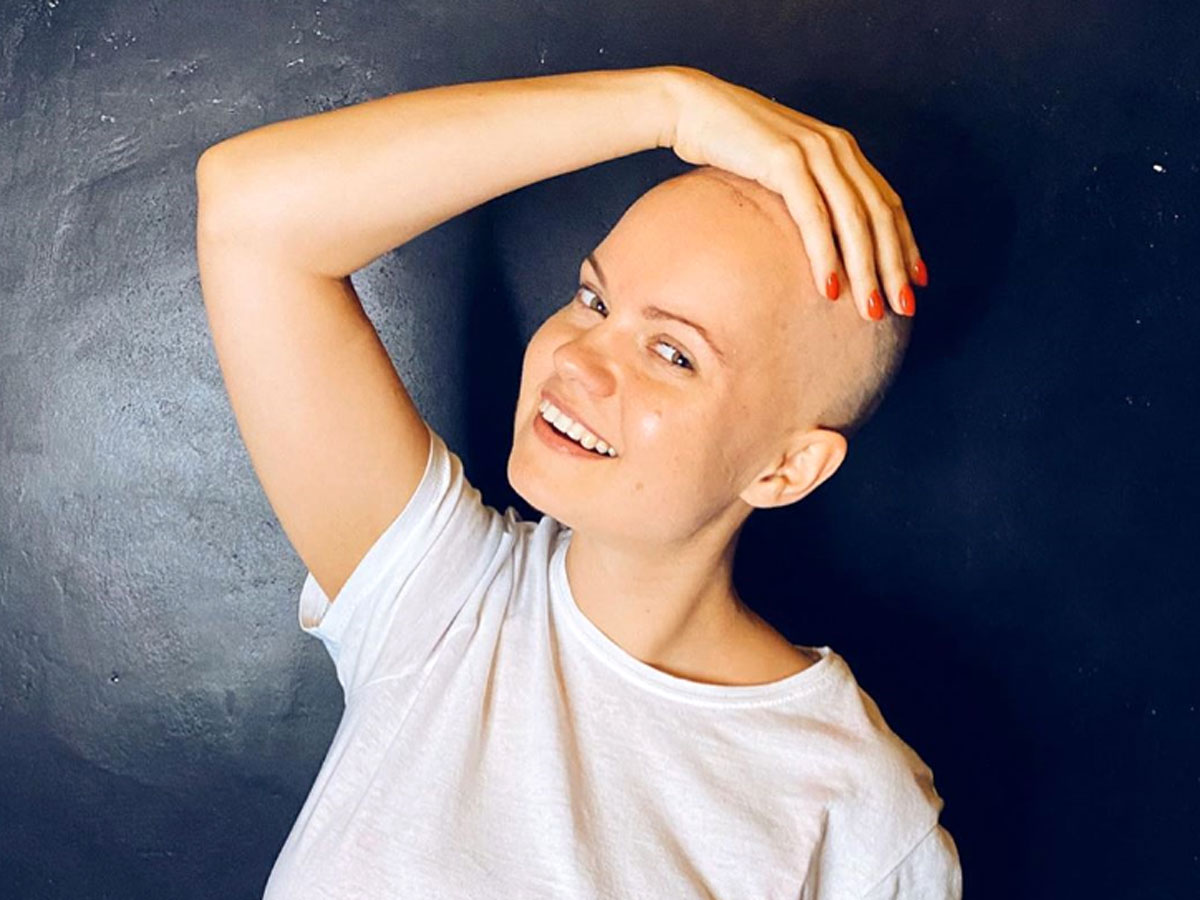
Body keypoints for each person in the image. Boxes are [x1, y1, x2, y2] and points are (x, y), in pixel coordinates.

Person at [196, 65, 961, 898]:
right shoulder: (442, 601)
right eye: (594, 300)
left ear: (787, 468)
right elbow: (252, 214)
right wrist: (670, 104)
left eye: (672, 353)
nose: (577, 360)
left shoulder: (861, 826)